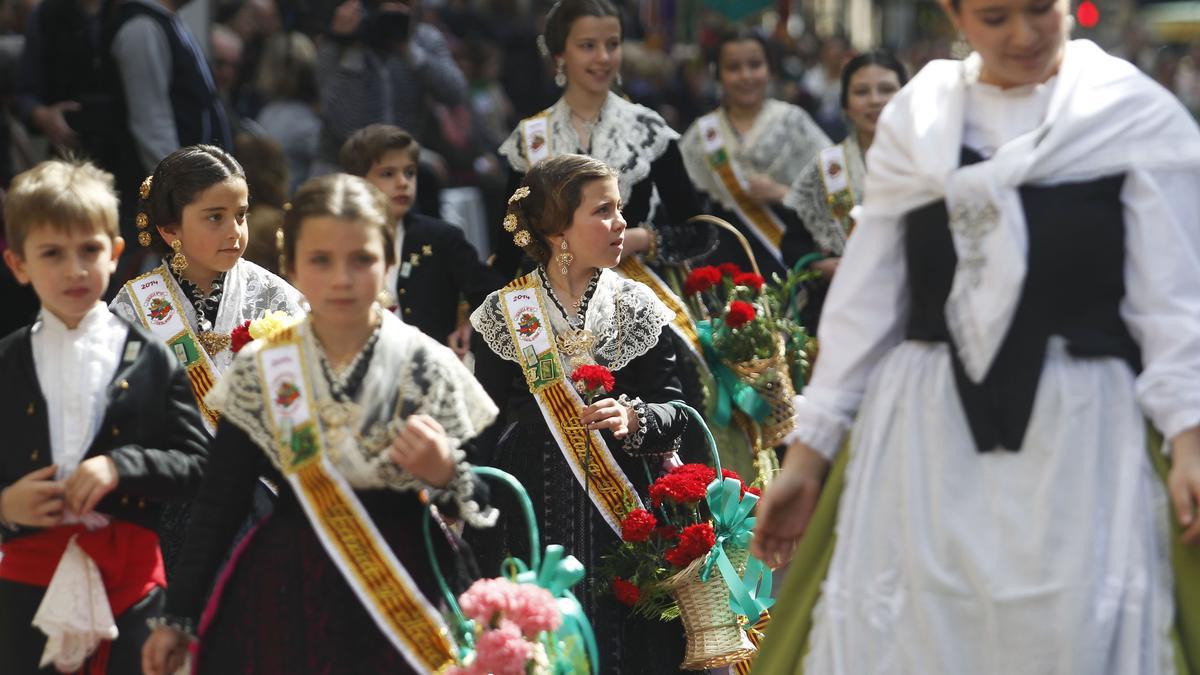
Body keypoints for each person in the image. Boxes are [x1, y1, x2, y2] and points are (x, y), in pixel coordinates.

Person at [751, 1, 1200, 672]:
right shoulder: (919, 115)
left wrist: (1190, 437)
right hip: (927, 443)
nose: (1023, 35)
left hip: (1079, 436)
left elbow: (1172, 302)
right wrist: (807, 457)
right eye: (994, 17)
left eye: (1039, 10)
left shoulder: (1134, 115)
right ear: (953, 12)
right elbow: (868, 304)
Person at [141, 173, 499, 675]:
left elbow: (483, 498)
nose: (341, 279)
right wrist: (176, 617)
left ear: (388, 262)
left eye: (362, 259)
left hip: (406, 582)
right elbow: (220, 503)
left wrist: (444, 474)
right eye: (321, 260)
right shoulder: (265, 368)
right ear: (291, 268)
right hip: (287, 585)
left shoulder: (425, 363)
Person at [470, 154, 695, 673]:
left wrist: (638, 418)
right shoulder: (505, 312)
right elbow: (482, 424)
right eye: (604, 211)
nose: (621, 225)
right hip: (533, 504)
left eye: (620, 209)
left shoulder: (636, 304)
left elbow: (678, 408)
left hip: (625, 504)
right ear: (556, 231)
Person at [0, 160, 208, 673]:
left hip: (130, 582)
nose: (74, 269)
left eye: (89, 250)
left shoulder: (152, 358)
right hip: (27, 581)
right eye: (52, 253)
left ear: (115, 253)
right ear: (18, 264)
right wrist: (5, 504)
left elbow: (199, 465)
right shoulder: (6, 363)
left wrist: (121, 466)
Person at [496, 0, 714, 422]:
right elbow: (510, 234)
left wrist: (643, 239)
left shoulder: (648, 131)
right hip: (552, 305)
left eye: (611, 44)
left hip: (634, 298)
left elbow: (699, 229)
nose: (602, 57)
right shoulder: (532, 138)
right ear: (560, 53)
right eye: (587, 45)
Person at [110, 145, 302, 572]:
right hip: (174, 496)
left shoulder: (275, 295)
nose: (234, 230)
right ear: (169, 229)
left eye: (241, 214)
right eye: (214, 217)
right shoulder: (135, 305)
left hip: (266, 488)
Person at [680, 27, 831, 280]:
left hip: (788, 260)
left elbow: (833, 190)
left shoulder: (794, 123)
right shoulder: (702, 133)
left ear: (770, 69)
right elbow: (679, 200)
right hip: (722, 265)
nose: (746, 76)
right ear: (717, 74)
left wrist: (783, 194)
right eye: (733, 67)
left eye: (755, 65)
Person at [340, 124, 500, 357]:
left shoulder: (439, 238)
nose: (403, 182)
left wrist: (471, 325)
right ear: (357, 182)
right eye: (388, 173)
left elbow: (494, 296)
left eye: (409, 172)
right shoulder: (338, 243)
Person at [779, 50, 907, 331]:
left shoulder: (927, 162)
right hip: (840, 313)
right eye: (862, 91)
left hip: (909, 308)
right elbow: (792, 243)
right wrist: (819, 266)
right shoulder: (826, 168)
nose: (874, 100)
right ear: (846, 104)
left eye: (886, 89)